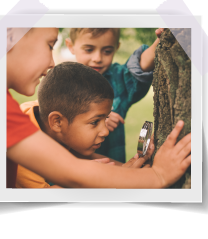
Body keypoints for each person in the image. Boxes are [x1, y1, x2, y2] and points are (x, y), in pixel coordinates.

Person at [7, 27, 191, 189]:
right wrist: (158, 176)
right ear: (9, 36)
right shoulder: (9, 116)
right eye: (50, 45)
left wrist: (133, 168)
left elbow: (86, 161)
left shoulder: (38, 111)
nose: (52, 63)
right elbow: (74, 177)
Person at [16, 62, 154, 188]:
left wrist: (129, 171)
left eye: (105, 118)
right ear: (57, 122)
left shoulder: (51, 116)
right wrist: (91, 180)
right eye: (95, 122)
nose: (105, 131)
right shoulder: (22, 156)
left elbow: (82, 156)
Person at [65, 28, 162, 162]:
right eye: (89, 50)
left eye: (107, 51)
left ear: (117, 47)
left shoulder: (117, 80)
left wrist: (162, 38)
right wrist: (96, 120)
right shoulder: (61, 84)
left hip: (113, 175)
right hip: (70, 174)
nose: (97, 58)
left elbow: (139, 67)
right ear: (71, 46)